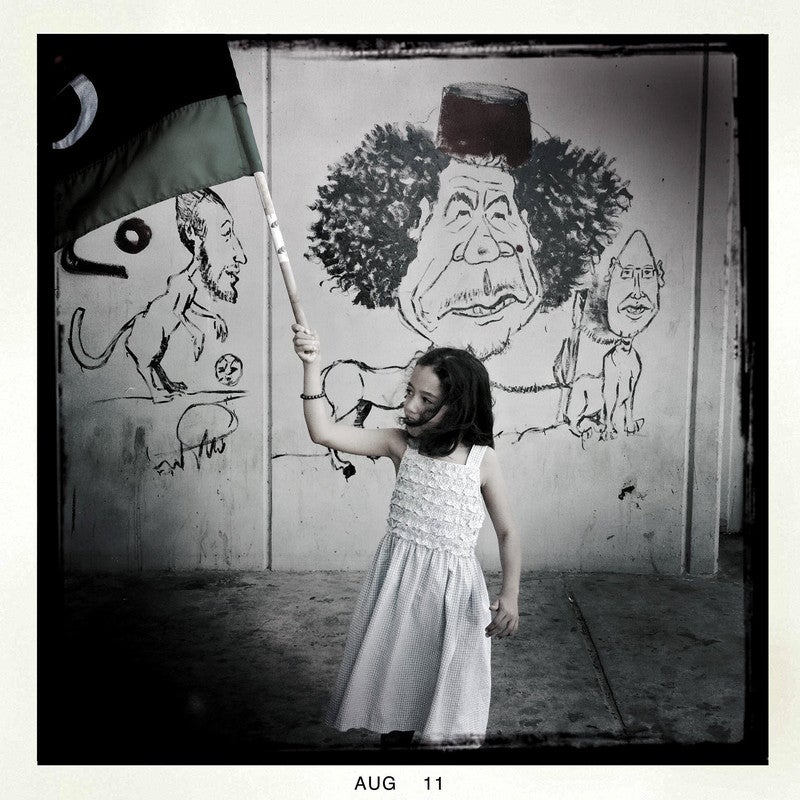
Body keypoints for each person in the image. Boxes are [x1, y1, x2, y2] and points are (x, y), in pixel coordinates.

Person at [292, 323, 521, 748]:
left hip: (454, 598)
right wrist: (311, 365)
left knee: (446, 698)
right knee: (395, 697)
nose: (410, 405)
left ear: (459, 407)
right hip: (400, 591)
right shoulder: (400, 445)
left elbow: (506, 532)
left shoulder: (482, 462)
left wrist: (510, 594)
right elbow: (323, 432)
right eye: (409, 393)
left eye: (426, 399)